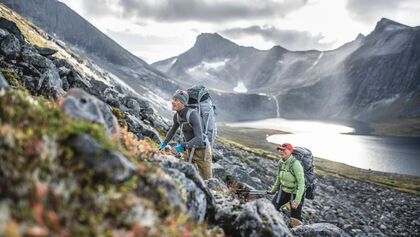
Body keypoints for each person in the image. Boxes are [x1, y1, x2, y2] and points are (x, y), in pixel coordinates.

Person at [159, 89, 212, 180]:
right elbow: (172, 131)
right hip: (188, 149)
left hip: (202, 152)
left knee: (207, 180)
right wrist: (163, 144)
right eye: (173, 99)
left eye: (176, 100)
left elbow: (199, 139)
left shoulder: (193, 115)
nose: (172, 102)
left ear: (183, 103)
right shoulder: (177, 116)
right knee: (182, 176)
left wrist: (180, 147)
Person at [267, 143, 305, 227]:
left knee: (295, 220)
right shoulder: (281, 162)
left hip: (295, 193)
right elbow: (278, 178)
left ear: (290, 151)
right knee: (271, 208)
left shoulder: (296, 165)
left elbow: (301, 184)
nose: (281, 151)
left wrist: (297, 200)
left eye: (284, 150)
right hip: (283, 191)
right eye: (280, 149)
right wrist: (273, 190)